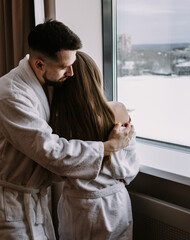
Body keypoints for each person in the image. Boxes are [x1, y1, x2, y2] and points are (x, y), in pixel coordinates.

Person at [0, 20, 134, 240]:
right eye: (64, 67)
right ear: (39, 64)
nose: (72, 73)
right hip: (12, 206)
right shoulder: (11, 94)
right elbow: (50, 150)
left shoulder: (44, 82)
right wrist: (108, 147)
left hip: (35, 202)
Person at [50, 51, 140, 240]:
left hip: (76, 205)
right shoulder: (117, 110)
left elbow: (56, 170)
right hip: (113, 202)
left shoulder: (57, 120)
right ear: (94, 76)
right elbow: (129, 169)